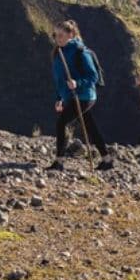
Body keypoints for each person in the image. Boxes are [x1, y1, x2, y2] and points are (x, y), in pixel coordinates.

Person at [50, 19, 114, 171]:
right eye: (55, 35)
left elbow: (93, 77)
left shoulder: (80, 51)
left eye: (61, 35)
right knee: (90, 126)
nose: (58, 38)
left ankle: (59, 161)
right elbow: (60, 79)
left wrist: (77, 83)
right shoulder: (58, 52)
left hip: (84, 96)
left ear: (70, 34)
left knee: (62, 123)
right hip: (72, 96)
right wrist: (59, 98)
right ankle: (107, 159)